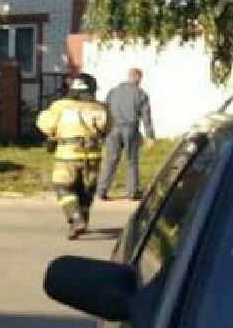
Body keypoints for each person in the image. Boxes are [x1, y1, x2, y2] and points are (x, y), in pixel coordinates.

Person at [36, 72, 110, 240]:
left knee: (64, 187)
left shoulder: (60, 106)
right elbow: (107, 128)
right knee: (86, 190)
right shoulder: (101, 108)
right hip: (93, 156)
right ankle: (84, 219)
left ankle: (76, 220)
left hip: (67, 156)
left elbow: (45, 125)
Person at [97, 68, 155, 201]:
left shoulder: (113, 92)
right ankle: (132, 192)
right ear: (138, 78)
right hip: (130, 129)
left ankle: (101, 190)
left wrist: (103, 132)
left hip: (113, 130)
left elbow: (105, 110)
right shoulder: (141, 94)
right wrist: (150, 135)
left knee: (110, 160)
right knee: (131, 161)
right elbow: (146, 117)